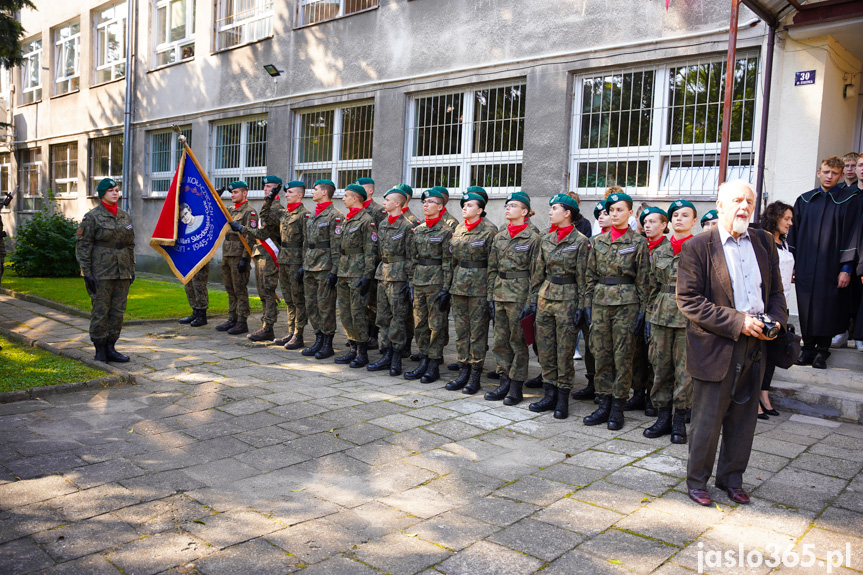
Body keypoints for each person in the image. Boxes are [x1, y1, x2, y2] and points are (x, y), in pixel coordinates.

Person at [677, 180, 787, 506]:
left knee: (743, 421)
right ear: (721, 204)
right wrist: (739, 322)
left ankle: (732, 479)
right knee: (707, 422)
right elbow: (690, 301)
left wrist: (776, 321)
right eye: (737, 200)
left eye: (749, 202)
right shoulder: (698, 246)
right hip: (716, 345)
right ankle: (697, 481)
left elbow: (777, 292)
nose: (744, 207)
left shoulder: (764, 242)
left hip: (757, 344)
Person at [583, 191, 649, 430]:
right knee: (600, 354)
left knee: (622, 357)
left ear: (630, 213)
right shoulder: (598, 241)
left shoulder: (638, 242)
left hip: (626, 304)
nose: (614, 214)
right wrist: (588, 303)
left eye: (619, 210)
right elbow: (589, 275)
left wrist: (642, 310)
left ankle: (618, 408)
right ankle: (603, 404)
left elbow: (643, 279)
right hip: (601, 302)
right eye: (611, 210)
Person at [788, 156, 861, 369]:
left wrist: (846, 268)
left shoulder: (850, 200)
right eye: (826, 172)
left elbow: (854, 235)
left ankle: (822, 351)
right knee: (805, 304)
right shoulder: (805, 200)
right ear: (819, 172)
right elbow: (793, 233)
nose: (829, 176)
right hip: (806, 264)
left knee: (829, 307)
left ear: (841, 176)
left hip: (833, 265)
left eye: (834, 173)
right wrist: (791, 265)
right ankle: (807, 348)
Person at [525, 193, 589, 418]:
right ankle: (549, 394)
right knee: (545, 349)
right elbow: (537, 272)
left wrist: (583, 306)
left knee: (564, 351)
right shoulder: (545, 238)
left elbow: (583, 276)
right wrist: (532, 302)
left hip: (569, 300)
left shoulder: (580, 241)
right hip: (545, 298)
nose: (550, 212)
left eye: (554, 209)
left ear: (567, 213)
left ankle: (563, 398)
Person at [644, 200, 696, 443]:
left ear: (694, 221)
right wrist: (649, 314)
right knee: (660, 367)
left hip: (689, 317)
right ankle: (663, 417)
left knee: (685, 372)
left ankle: (679, 421)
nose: (678, 219)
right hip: (661, 316)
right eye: (675, 215)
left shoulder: (700, 249)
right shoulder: (661, 250)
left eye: (685, 215)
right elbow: (651, 285)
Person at [483, 191, 541, 404]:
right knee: (500, 341)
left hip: (520, 295)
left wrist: (531, 302)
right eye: (507, 205)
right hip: (499, 293)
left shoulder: (533, 238)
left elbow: (536, 272)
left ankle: (516, 386)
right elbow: (492, 268)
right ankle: (504, 381)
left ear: (524, 211)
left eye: (513, 205)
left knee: (518, 342)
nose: (508, 208)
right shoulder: (500, 236)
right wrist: (490, 295)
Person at [75, 178, 135, 363]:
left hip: (122, 271)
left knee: (117, 312)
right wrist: (87, 273)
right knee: (101, 311)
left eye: (117, 190)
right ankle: (100, 349)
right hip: (101, 271)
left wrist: (131, 268)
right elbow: (83, 246)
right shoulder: (92, 217)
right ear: (102, 194)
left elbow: (130, 244)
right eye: (111, 191)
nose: (115, 193)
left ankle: (111, 347)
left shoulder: (124, 215)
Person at [443, 190, 496, 395]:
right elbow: (452, 260)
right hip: (459, 286)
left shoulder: (489, 230)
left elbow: (493, 264)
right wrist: (448, 287)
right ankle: (463, 370)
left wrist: (490, 292)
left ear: (480, 210)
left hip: (479, 287)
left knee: (478, 333)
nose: (465, 207)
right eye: (463, 205)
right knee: (462, 331)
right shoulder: (458, 227)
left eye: (470, 205)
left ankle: (475, 374)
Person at [404, 188, 454, 383]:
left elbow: (448, 262)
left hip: (437, 282)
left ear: (440, 207)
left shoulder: (446, 231)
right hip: (419, 282)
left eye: (430, 202)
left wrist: (446, 289)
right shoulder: (418, 230)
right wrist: (410, 283)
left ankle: (433, 364)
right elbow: (412, 259)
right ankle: (423, 359)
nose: (425, 205)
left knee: (437, 325)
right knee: (420, 324)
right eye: (424, 202)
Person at [367, 186, 417, 376]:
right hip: (383, 274)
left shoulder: (407, 226)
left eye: (387, 200)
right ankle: (386, 354)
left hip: (399, 277)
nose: (384, 203)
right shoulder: (382, 224)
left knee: (398, 319)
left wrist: (409, 282)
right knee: (383, 317)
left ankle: (396, 357)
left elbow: (411, 256)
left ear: (397, 203)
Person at [626, 206, 668, 417]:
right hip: (636, 304)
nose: (648, 226)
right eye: (646, 222)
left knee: (655, 355)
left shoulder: (668, 248)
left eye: (653, 222)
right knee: (636, 352)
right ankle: (638, 392)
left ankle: (653, 396)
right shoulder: (638, 245)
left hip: (658, 307)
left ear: (663, 224)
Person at [260, 180, 309, 350]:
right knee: (288, 299)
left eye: (290, 192)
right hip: (284, 259)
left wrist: (304, 263)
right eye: (285, 192)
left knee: (298, 299)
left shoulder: (304, 215)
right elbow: (265, 216)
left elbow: (307, 242)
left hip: (296, 262)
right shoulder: (284, 213)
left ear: (299, 195)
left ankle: (299, 333)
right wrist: (270, 197)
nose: (286, 195)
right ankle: (290, 331)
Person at [333, 183, 377, 368]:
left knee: (358, 312)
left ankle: (362, 352)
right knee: (345, 312)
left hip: (357, 273)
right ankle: (352, 347)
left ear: (355, 198)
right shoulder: (346, 219)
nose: (343, 199)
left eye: (346, 196)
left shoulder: (367, 220)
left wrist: (367, 275)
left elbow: (371, 250)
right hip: (344, 271)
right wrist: (335, 272)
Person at [758, 201, 794, 419]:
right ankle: (753, 400)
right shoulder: (763, 240)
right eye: (786, 218)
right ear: (775, 217)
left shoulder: (785, 243)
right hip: (767, 307)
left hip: (783, 306)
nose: (790, 223)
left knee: (772, 356)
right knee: (760, 356)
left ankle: (764, 395)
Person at [570, 200, 609, 400]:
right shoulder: (591, 242)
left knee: (600, 346)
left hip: (607, 301)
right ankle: (592, 382)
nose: (601, 217)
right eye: (599, 214)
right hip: (588, 299)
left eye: (606, 213)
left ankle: (606, 388)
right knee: (590, 345)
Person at [236, 176, 283, 342]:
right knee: (263, 292)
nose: (266, 189)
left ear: (276, 189)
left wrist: (243, 228)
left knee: (267, 292)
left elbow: (265, 233)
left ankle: (268, 327)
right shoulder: (268, 205)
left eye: (269, 186)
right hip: (261, 254)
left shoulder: (276, 208)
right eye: (265, 186)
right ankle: (266, 324)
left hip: (269, 255)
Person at [302, 179, 344, 360]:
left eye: (315, 189)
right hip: (310, 265)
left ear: (325, 192)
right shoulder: (313, 215)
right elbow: (306, 243)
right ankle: (318, 338)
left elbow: (336, 246)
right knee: (312, 305)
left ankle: (328, 343)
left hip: (325, 266)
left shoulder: (335, 216)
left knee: (325, 306)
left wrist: (334, 270)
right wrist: (303, 264)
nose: (312, 192)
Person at [215, 181, 257, 336]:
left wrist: (245, 258)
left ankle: (242, 321)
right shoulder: (230, 210)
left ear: (244, 193)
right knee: (229, 288)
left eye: (236, 192)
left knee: (239, 290)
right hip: (227, 254)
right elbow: (215, 214)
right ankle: (232, 317)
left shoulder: (249, 212)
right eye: (231, 193)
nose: (232, 195)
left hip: (240, 255)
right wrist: (216, 197)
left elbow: (251, 236)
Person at [357, 177, 383, 352]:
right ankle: (361, 334)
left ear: (370, 191)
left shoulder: (379, 211)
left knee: (373, 302)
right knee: (361, 301)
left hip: (373, 262)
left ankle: (373, 336)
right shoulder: (355, 211)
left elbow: (381, 240)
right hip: (357, 262)